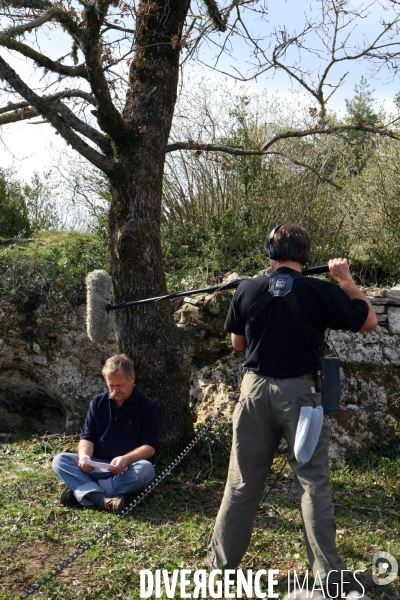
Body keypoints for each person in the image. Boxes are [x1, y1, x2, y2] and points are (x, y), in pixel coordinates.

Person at [207, 223, 378, 596]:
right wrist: (345, 280)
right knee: (312, 483)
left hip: (254, 392)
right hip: (301, 396)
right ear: (306, 254)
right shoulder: (320, 290)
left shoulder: (248, 288)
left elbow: (238, 343)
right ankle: (329, 576)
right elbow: (369, 320)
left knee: (242, 482)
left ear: (270, 252)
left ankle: (220, 568)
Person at [52, 354, 158, 514]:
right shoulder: (98, 402)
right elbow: (87, 437)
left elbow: (149, 447)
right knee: (60, 460)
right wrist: (84, 457)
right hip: (95, 466)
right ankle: (103, 499)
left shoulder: (146, 406)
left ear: (132, 379)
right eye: (111, 386)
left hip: (126, 469)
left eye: (120, 385)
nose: (115, 390)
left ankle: (84, 493)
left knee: (146, 470)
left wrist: (125, 459)